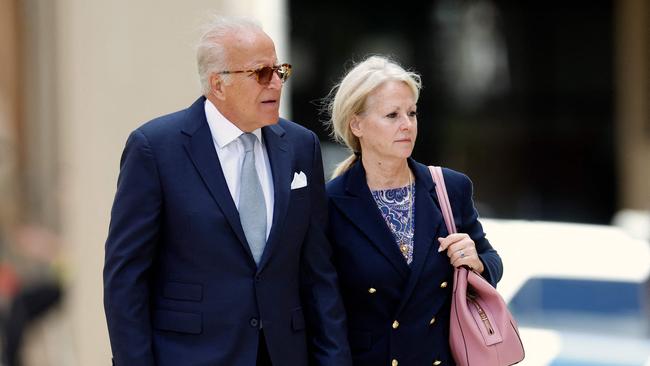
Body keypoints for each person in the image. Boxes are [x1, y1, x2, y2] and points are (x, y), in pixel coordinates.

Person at [103, 16, 352, 366]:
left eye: (280, 71)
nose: (276, 84)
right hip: (190, 355)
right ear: (217, 84)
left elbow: (318, 274)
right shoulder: (155, 149)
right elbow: (126, 280)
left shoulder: (300, 145)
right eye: (261, 73)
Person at [323, 55, 503, 366]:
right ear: (357, 124)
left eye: (412, 113)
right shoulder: (330, 202)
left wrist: (476, 261)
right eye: (392, 115)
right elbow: (324, 309)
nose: (407, 125)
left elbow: (492, 263)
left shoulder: (449, 187)